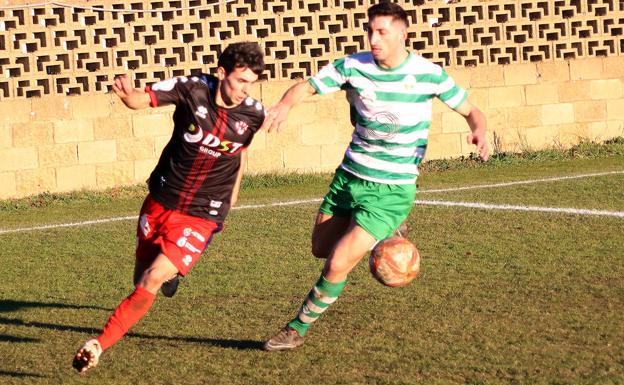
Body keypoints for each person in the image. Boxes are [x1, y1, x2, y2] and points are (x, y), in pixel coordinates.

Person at [261, 1, 490, 351]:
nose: (373, 38)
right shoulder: (353, 66)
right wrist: (284, 105)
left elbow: (472, 111)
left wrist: (480, 132)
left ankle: (295, 329)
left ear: (403, 33)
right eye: (370, 30)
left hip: (391, 190)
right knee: (321, 248)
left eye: (382, 31)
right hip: (349, 177)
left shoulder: (428, 74)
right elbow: (306, 86)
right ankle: (384, 232)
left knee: (338, 263)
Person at [72, 41, 266, 373]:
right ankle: (168, 272)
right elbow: (141, 99)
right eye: (240, 81)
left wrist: (234, 193)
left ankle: (98, 344)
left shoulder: (254, 114)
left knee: (151, 278)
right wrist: (126, 95)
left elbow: (241, 151)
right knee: (141, 278)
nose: (245, 91)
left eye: (252, 82)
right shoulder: (191, 89)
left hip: (204, 213)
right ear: (221, 73)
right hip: (162, 200)